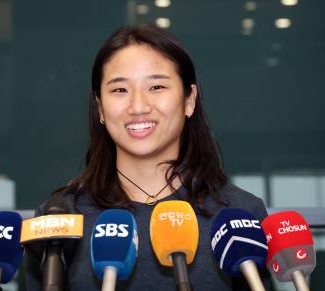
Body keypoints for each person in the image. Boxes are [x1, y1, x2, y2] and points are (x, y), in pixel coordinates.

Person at [26, 24, 271, 290]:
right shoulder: (59, 218)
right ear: (100, 108)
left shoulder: (239, 215)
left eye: (156, 87)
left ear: (189, 100)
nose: (138, 107)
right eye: (120, 90)